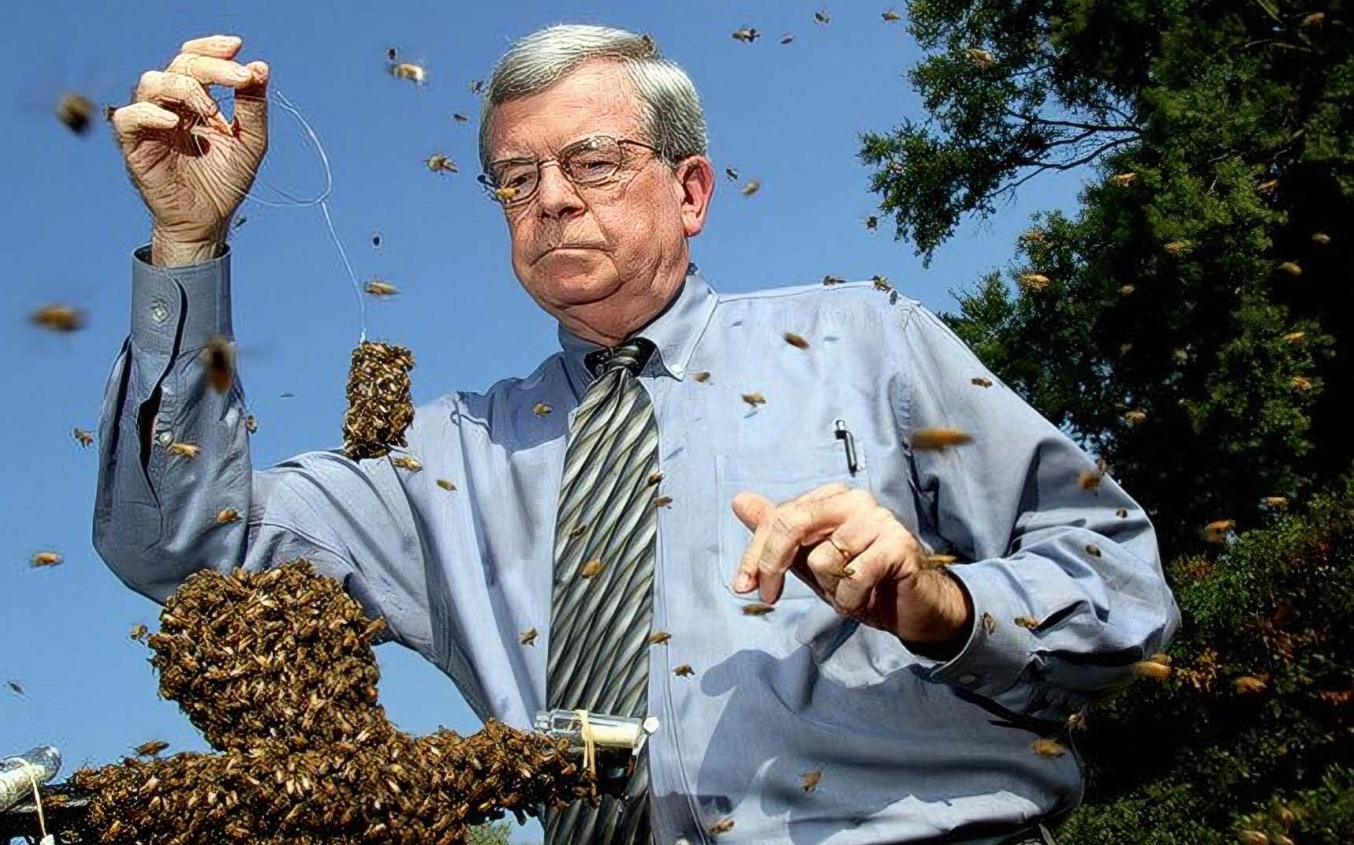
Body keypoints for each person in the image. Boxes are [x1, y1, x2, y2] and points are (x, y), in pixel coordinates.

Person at [95, 24, 1178, 845]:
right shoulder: (441, 460)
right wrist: (186, 246)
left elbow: (1121, 582)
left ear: (691, 188)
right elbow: (182, 547)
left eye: (594, 162)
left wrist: (942, 602)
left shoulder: (864, 338)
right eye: (517, 180)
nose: (552, 201)